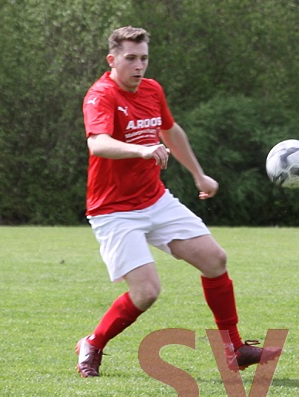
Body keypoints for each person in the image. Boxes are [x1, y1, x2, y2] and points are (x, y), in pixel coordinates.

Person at [76, 26, 280, 378]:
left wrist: (199, 175)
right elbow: (98, 143)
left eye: (144, 58)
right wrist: (141, 150)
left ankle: (234, 349)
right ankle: (92, 344)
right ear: (112, 59)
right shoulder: (101, 95)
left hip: (154, 199)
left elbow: (170, 131)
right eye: (130, 58)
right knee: (146, 292)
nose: (139, 66)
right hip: (114, 210)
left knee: (214, 259)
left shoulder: (152, 90)